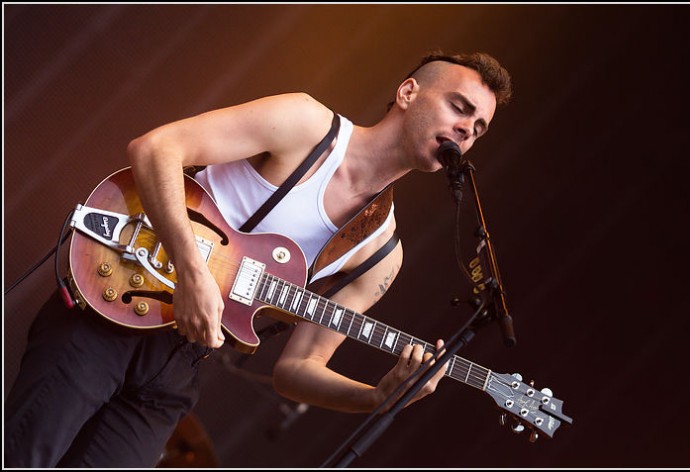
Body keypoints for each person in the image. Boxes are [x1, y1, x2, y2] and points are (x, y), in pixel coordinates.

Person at [4, 51, 512, 467]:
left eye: (480, 126)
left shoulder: (380, 254)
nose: (468, 128)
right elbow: (156, 148)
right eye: (459, 107)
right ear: (408, 93)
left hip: (177, 366)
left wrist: (379, 396)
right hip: (122, 293)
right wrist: (193, 271)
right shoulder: (305, 124)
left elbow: (295, 369)